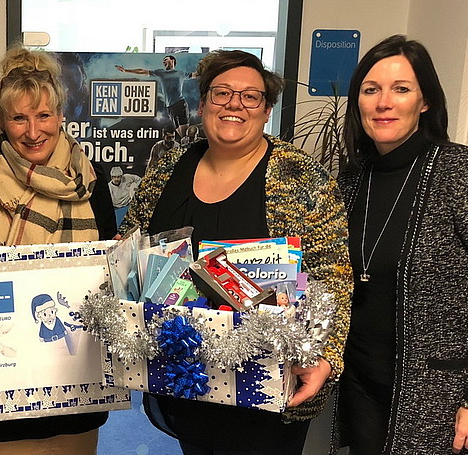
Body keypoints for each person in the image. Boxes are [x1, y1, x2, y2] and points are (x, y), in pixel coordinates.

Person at [118, 49, 352, 455]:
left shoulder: (300, 176)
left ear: (266, 110)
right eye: (222, 92)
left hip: (265, 386)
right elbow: (130, 250)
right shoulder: (169, 169)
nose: (234, 104)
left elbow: (334, 276)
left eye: (250, 96)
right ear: (203, 103)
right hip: (184, 378)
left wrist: (325, 355)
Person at [0, 45, 116, 455]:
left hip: (74, 393)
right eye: (19, 118)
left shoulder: (91, 185)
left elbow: (110, 277)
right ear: (2, 122)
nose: (32, 131)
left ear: (60, 116)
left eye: (43, 115)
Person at [333, 34, 468, 455]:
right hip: (358, 386)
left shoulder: (458, 172)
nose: (383, 103)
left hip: (436, 395)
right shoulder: (350, 182)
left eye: (401, 89)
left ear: (424, 101)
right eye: (371, 90)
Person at [115, 54, 197, 136]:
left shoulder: (180, 73)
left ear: (172, 61)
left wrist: (204, 69)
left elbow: (195, 74)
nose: (164, 62)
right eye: (163, 61)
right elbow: (142, 71)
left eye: (166, 59)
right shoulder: (160, 72)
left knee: (185, 134)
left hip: (180, 103)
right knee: (181, 134)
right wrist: (126, 70)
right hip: (169, 107)